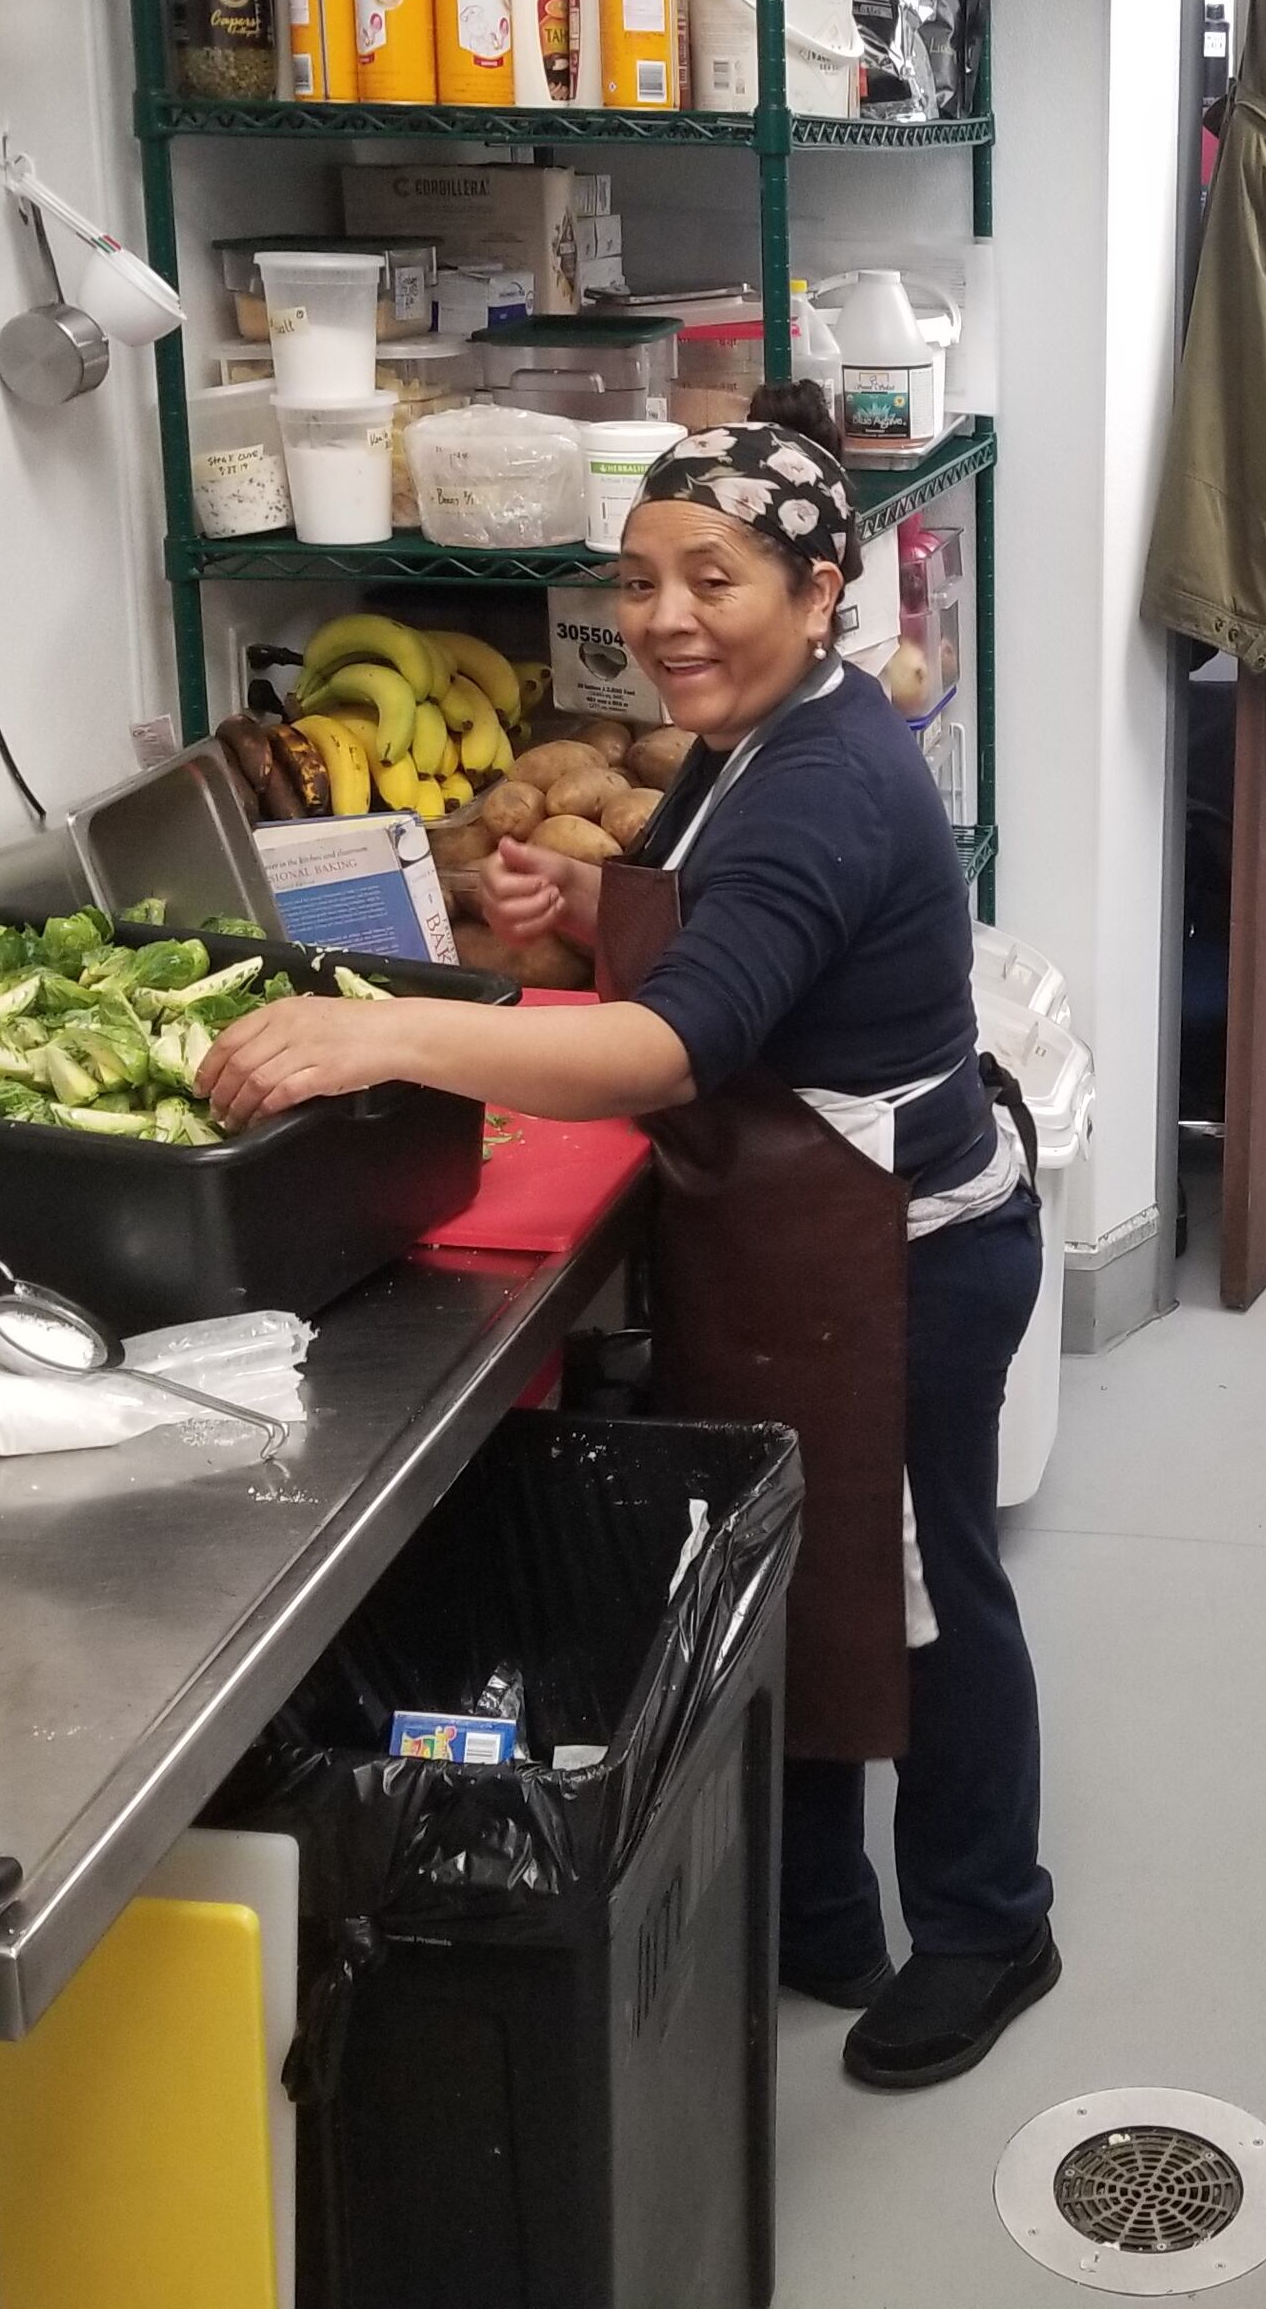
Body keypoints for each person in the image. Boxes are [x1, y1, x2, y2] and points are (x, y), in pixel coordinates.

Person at [201, 381, 1060, 2091]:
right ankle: (822, 1906)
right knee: (799, 1577)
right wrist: (590, 900)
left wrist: (393, 1034)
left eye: (715, 578)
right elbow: (729, 933)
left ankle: (988, 1920)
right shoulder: (765, 737)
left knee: (922, 1590)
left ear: (818, 594)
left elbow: (674, 1044)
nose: (665, 617)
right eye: (642, 577)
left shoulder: (828, 774)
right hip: (794, 1236)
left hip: (899, 1258)